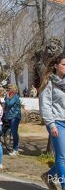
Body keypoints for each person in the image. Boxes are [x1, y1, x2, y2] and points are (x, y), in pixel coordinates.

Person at [39, 53, 65, 190]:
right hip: (57, 123)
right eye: (64, 64)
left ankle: (48, 176)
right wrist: (51, 124)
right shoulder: (48, 83)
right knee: (62, 157)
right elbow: (45, 105)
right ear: (56, 66)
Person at [4, 84, 21, 156]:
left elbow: (9, 104)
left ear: (13, 90)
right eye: (7, 88)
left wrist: (7, 98)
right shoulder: (10, 96)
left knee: (14, 132)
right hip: (11, 116)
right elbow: (6, 104)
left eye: (9, 88)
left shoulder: (15, 96)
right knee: (13, 132)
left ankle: (15, 149)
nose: (7, 89)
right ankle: (14, 148)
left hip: (15, 116)